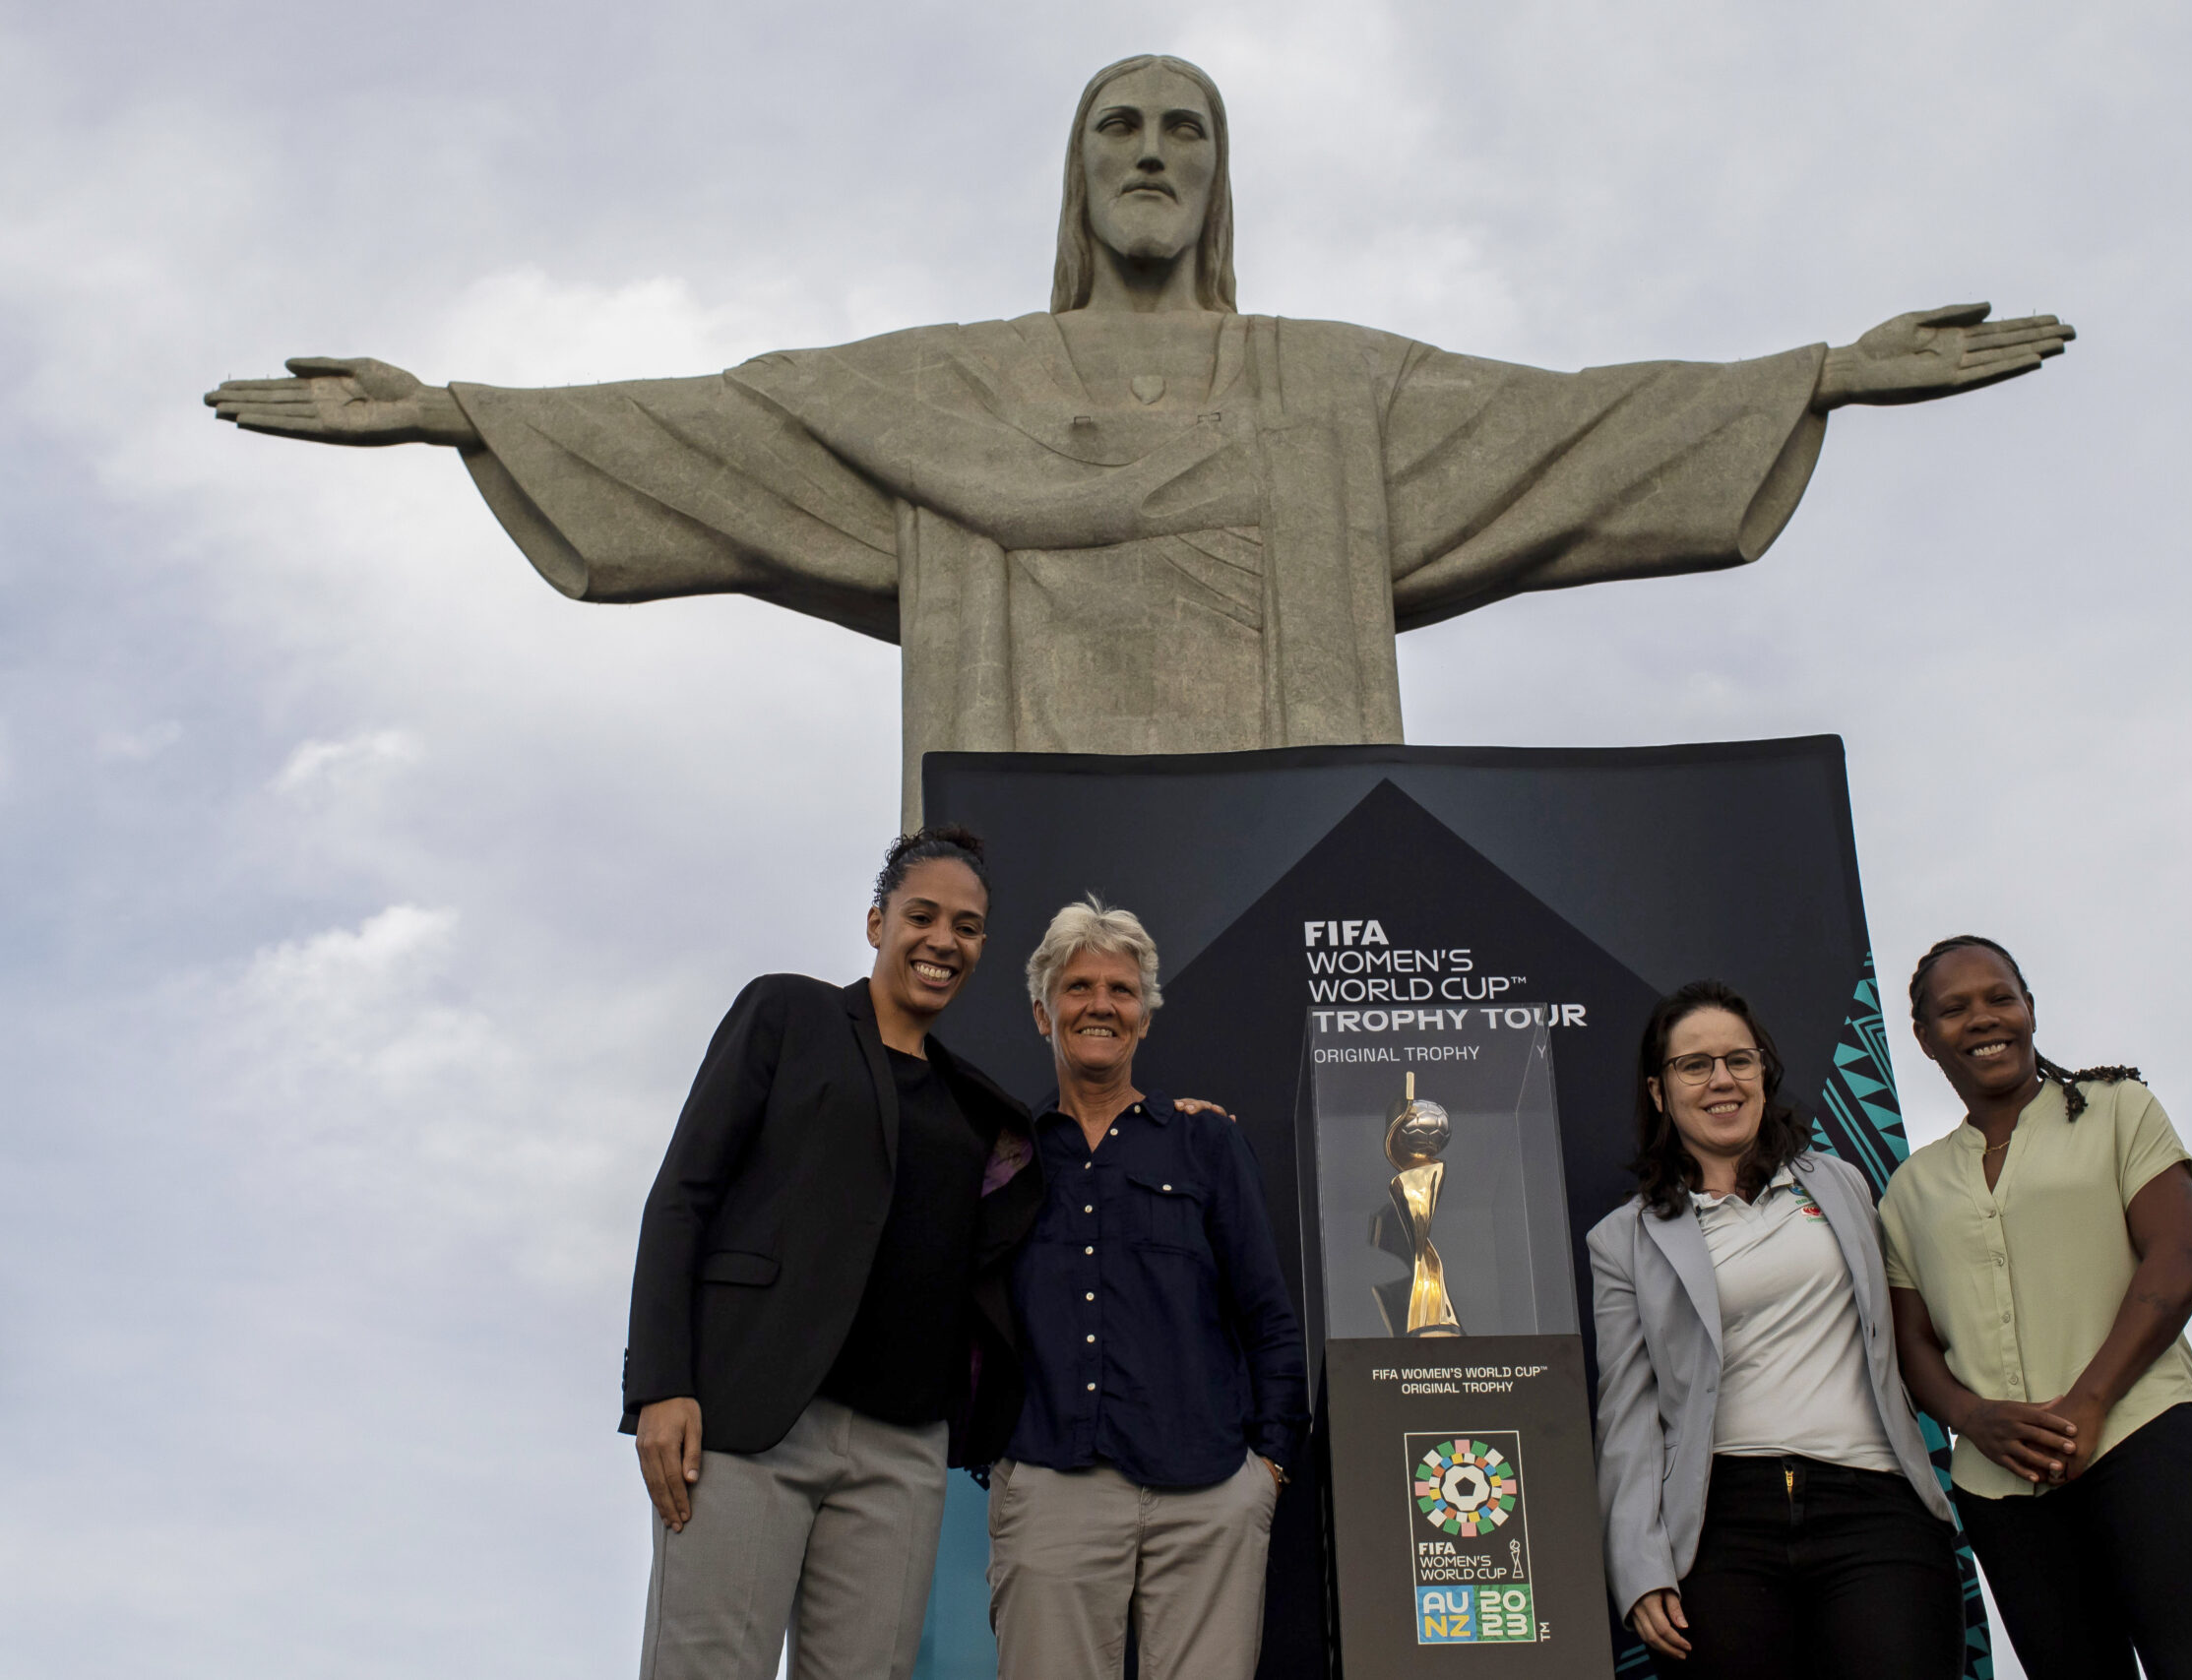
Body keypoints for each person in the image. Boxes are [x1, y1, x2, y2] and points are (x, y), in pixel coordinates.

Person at [207, 55, 2070, 826]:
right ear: (1078, 177)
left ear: (1222, 173)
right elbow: (732, 436)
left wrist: (1811, 374)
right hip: (1032, 874)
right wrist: (466, 411)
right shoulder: (952, 390)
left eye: (1186, 129)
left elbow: (1565, 432)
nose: (1156, 156)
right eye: (1122, 131)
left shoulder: (1334, 387)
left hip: (1300, 857)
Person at [621, 826, 1043, 1680]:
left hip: (901, 1454)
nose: (942, 940)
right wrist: (661, 1383)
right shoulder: (788, 1012)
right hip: (750, 1420)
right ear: (876, 921)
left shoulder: (976, 1108)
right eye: (921, 915)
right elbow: (683, 1194)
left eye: (965, 927)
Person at [1883, 936, 2192, 1679]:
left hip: (2142, 1440)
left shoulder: (2120, 1110)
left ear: (2030, 1008)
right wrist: (1971, 1416)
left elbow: (2178, 1262)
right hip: (2003, 1485)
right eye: (1955, 1009)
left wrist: (2088, 1401)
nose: (1984, 1018)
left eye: (2000, 997)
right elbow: (1910, 1340)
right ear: (1924, 1038)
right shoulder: (1910, 1191)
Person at [1589, 980, 1960, 1678]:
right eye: (1694, 1064)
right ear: (1660, 1091)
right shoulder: (1624, 1240)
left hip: (1875, 1505)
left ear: (1764, 1073)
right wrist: (1639, 1568)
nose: (1721, 1079)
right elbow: (1628, 1417)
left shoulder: (1843, 1184)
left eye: (1739, 1059)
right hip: (1724, 1524)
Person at [987, 898, 1307, 1680]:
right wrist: (998, 1462)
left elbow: (1269, 1315)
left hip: (1208, 1491)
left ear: (1145, 1016)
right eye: (1078, 986)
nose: (1100, 1004)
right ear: (1042, 1012)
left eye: (1122, 990)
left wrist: (1267, 1468)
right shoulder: (1005, 1158)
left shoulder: (1207, 1140)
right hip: (1052, 1483)